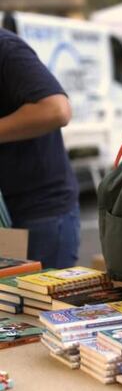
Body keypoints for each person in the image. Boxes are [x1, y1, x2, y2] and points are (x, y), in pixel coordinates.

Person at [0, 27, 80, 269]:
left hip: (39, 213)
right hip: (10, 212)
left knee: (41, 305)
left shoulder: (6, 49)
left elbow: (57, 110)